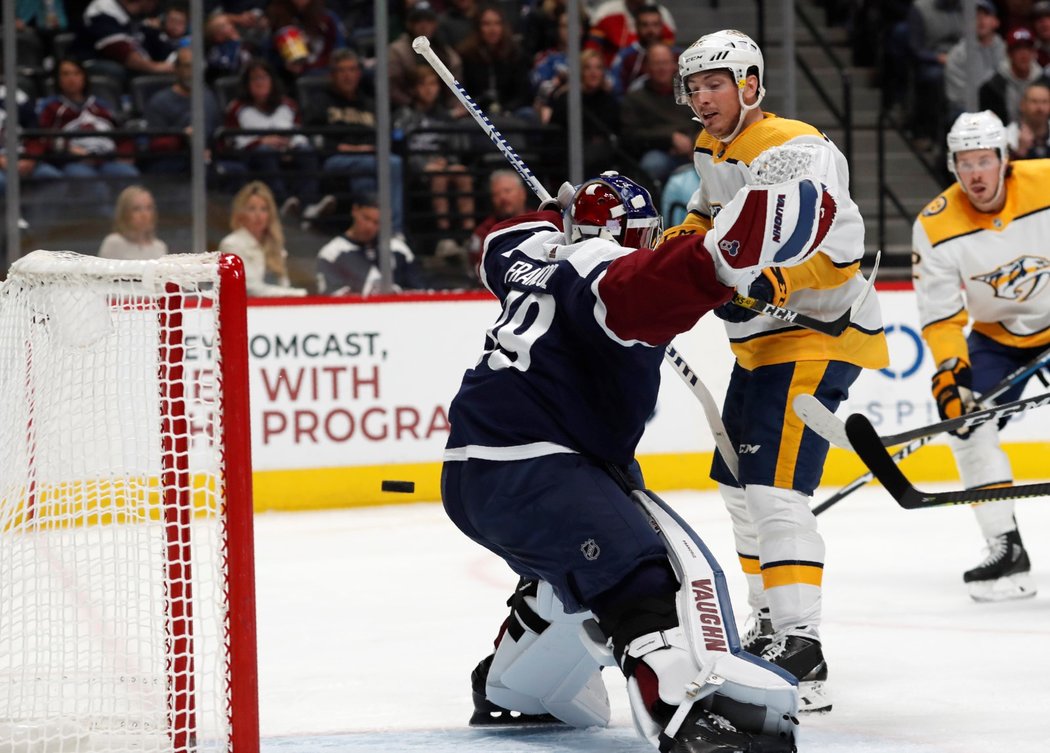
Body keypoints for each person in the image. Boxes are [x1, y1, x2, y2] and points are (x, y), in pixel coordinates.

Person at [444, 167, 840, 753]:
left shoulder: (527, 249)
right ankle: (690, 718)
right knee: (644, 577)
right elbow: (652, 280)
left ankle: (517, 686)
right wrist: (726, 259)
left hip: (477, 469)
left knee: (573, 573)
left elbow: (499, 240)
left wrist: (559, 219)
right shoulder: (612, 279)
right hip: (538, 468)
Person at [664, 29, 888, 714]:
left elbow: (841, 248)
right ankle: (767, 622)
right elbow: (707, 217)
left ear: (750, 85)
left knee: (772, 486)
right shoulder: (713, 149)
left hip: (820, 332)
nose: (702, 99)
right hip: (762, 341)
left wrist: (775, 283)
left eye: (715, 85)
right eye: (694, 87)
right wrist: (653, 250)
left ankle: (802, 644)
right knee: (737, 481)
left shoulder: (795, 149)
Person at [911, 110, 1044, 603]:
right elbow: (942, 317)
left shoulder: (1046, 184)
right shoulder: (935, 223)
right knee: (966, 425)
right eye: (965, 163)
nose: (976, 174)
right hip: (997, 338)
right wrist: (951, 373)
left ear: (1005, 160)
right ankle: (1005, 547)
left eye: (984, 160)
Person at [37, 57, 140, 212]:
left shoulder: (100, 105)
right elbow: (44, 138)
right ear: (58, 79)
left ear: (84, 77)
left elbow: (121, 134)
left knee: (129, 174)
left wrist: (124, 154)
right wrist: (68, 150)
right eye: (65, 74)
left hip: (106, 159)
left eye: (76, 73)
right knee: (89, 181)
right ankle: (104, 224)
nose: (71, 78)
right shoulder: (52, 107)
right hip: (74, 162)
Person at [315, 193, 425, 295]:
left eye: (377, 222)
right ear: (355, 210)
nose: (369, 227)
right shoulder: (331, 254)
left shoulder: (398, 249)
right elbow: (331, 298)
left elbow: (419, 291)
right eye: (366, 218)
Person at [218, 180, 306, 296]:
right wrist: (295, 294)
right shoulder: (231, 245)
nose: (258, 215)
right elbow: (250, 288)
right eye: (252, 209)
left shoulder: (274, 244)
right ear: (241, 213)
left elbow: (284, 284)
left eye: (263, 209)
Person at [942, 0, 1003, 124]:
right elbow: (957, 97)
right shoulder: (958, 55)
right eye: (975, 16)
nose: (980, 20)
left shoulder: (1006, 50)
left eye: (985, 15)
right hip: (968, 111)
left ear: (996, 22)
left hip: (999, 108)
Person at [979, 27, 1044, 128]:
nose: (1024, 55)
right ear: (1009, 53)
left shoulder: (1045, 82)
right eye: (1018, 49)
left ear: (1033, 53)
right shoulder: (992, 87)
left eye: (1028, 48)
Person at [466, 169, 530, 272]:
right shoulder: (484, 232)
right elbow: (478, 268)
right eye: (496, 194)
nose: (503, 197)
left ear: (522, 193)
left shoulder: (543, 221)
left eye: (507, 191)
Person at [98, 185, 168, 259]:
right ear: (125, 213)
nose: (144, 215)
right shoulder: (113, 243)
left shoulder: (160, 247)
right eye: (136, 209)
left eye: (149, 208)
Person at [1007, 80, 1050, 160]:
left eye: (1044, 102)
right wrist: (1020, 151)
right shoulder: (1008, 135)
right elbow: (1004, 170)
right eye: (1034, 101)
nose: (1040, 108)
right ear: (1022, 105)